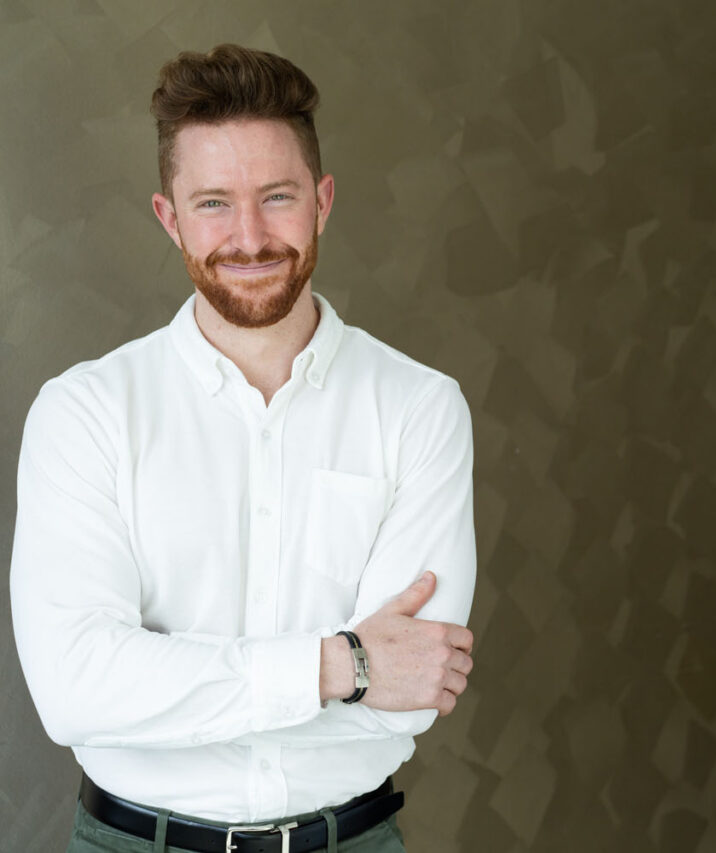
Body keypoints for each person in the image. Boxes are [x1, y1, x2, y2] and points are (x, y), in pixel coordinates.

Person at [9, 44, 476, 853]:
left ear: (322, 201)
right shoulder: (84, 413)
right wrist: (341, 665)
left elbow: (406, 695)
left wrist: (164, 685)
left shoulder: (420, 408)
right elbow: (76, 688)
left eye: (278, 196)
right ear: (171, 218)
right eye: (214, 203)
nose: (250, 237)